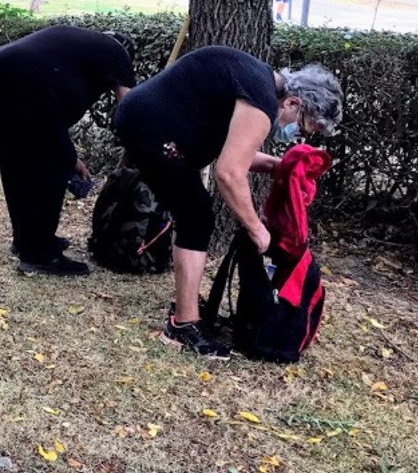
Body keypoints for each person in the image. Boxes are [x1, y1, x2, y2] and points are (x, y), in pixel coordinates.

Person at [113, 47, 342, 358]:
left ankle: (186, 307)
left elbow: (233, 149)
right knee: (196, 217)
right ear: (292, 103)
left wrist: (278, 166)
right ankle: (183, 326)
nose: (295, 135)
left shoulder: (258, 81)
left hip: (143, 118)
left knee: (194, 214)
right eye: (301, 126)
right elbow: (229, 173)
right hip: (148, 127)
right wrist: (256, 229)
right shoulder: (261, 100)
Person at [0, 26, 136, 276]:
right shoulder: (118, 53)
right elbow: (129, 109)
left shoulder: (80, 48)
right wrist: (137, 149)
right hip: (25, 78)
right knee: (50, 166)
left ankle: (26, 240)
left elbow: (51, 126)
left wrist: (72, 158)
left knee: (18, 160)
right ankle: (40, 255)